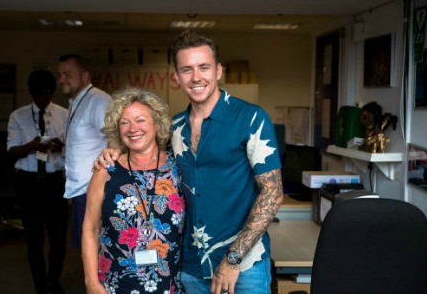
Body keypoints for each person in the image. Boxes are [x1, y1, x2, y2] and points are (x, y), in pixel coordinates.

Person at [95, 30, 283, 294]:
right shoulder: (174, 129)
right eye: (187, 69)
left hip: (244, 267)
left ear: (218, 71)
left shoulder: (251, 119)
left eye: (204, 67)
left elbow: (272, 192)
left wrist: (233, 259)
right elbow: (143, 152)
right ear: (176, 77)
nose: (196, 77)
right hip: (190, 267)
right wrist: (112, 151)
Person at [82, 87, 185, 294]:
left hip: (170, 285)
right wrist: (91, 283)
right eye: (124, 122)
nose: (132, 128)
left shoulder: (178, 168)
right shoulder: (105, 170)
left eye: (140, 120)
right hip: (114, 285)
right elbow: (90, 229)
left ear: (157, 123)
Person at [7, 70, 69, 294]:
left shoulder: (65, 114)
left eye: (47, 95)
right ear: (31, 93)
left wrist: (59, 147)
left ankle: (53, 281)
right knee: (34, 240)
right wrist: (32, 145)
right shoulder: (18, 116)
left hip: (55, 182)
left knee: (58, 238)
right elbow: (12, 151)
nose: (43, 99)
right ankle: (41, 286)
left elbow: (73, 149)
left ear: (52, 92)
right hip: (28, 183)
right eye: (39, 95)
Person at [57, 54, 111, 251]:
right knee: (84, 248)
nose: (62, 79)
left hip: (93, 190)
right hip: (79, 189)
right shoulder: (76, 102)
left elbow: (115, 142)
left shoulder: (98, 100)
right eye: (60, 74)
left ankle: (97, 283)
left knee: (95, 251)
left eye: (68, 74)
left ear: (85, 76)